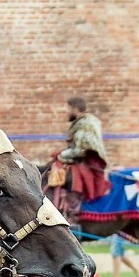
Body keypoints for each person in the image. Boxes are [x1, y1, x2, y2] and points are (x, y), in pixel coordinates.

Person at [53, 96, 111, 227]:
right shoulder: (83, 122)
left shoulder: (85, 124)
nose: (67, 112)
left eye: (68, 109)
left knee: (72, 177)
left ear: (74, 109)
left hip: (89, 163)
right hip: (81, 160)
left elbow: (79, 150)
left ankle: (72, 215)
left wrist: (61, 155)